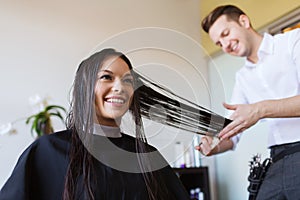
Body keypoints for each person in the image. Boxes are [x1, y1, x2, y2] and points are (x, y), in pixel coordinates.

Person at [0, 48, 190, 200]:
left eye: (127, 80)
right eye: (107, 77)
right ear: (85, 87)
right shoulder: (47, 151)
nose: (119, 87)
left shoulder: (147, 156)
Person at [197, 4, 300, 199]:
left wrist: (260, 110)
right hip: (277, 160)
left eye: (225, 34)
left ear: (244, 21)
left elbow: (256, 111)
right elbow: (232, 133)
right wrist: (214, 145)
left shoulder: (292, 41)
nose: (225, 45)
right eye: (219, 43)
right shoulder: (242, 78)